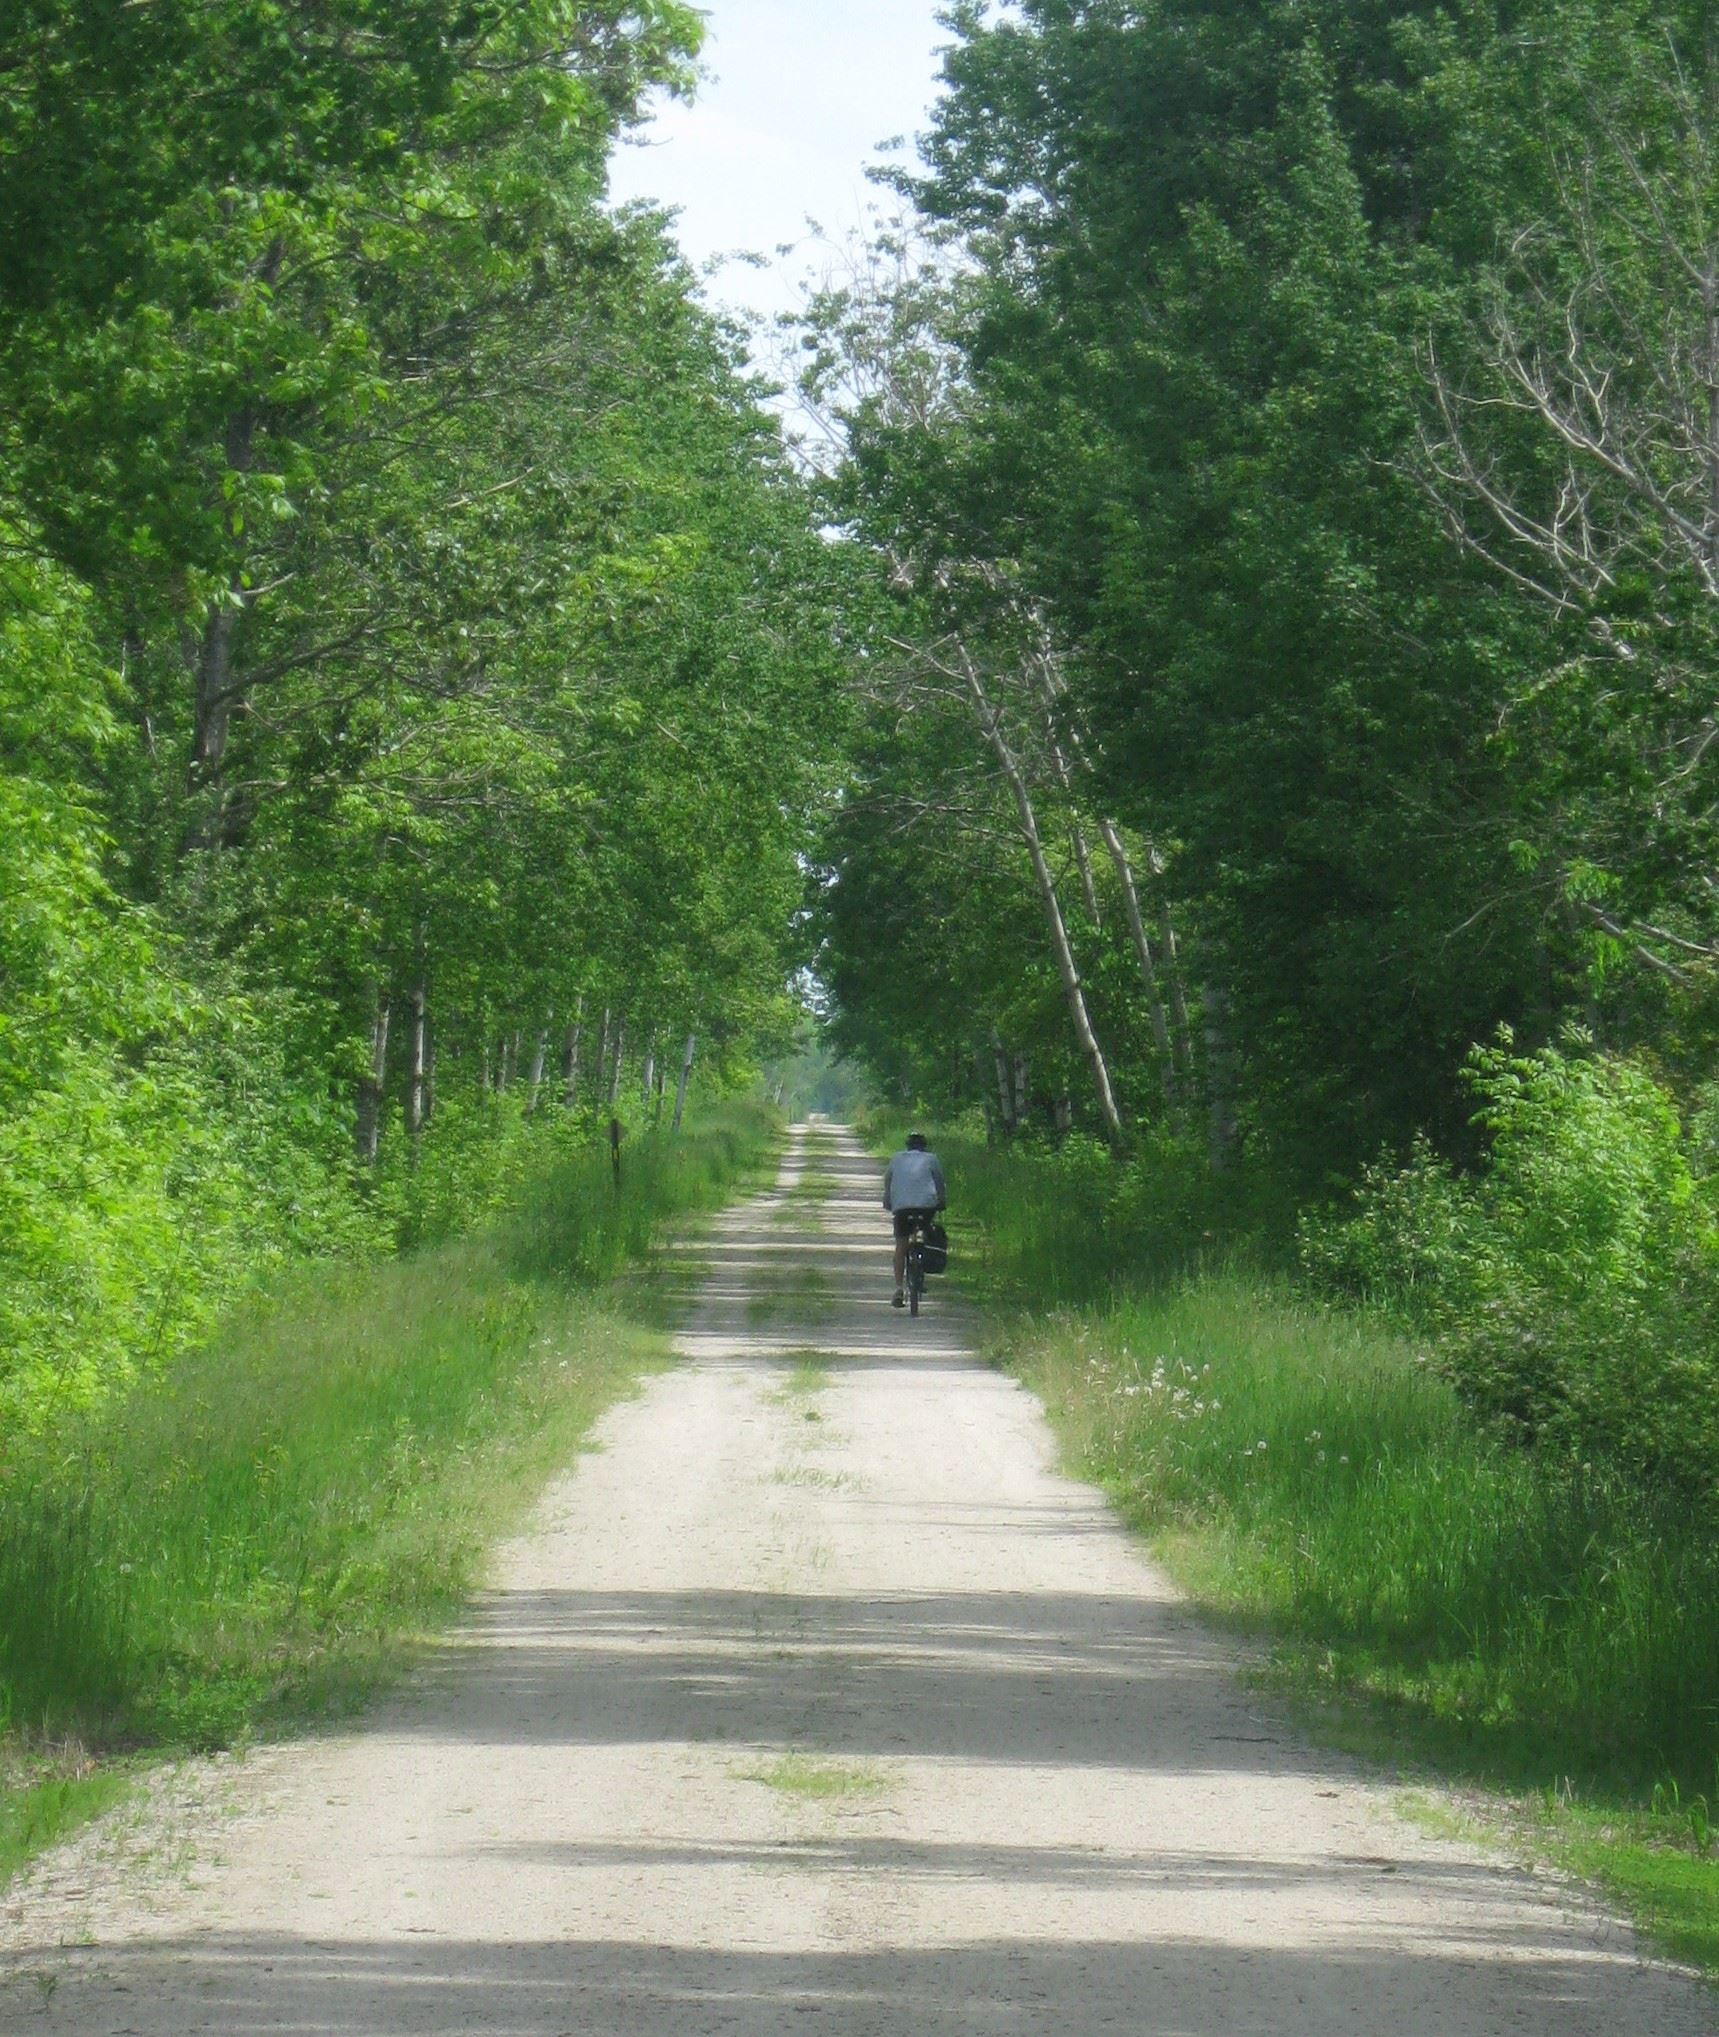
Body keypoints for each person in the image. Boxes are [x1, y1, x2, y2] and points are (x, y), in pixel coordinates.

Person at [882, 1131, 946, 1308]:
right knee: (927, 1232)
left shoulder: (896, 1158)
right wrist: (941, 1201)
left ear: (907, 1146)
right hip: (926, 1207)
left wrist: (888, 1200)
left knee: (901, 1246)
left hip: (902, 1207)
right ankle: (922, 1265)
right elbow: (939, 1183)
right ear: (924, 1146)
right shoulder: (931, 1159)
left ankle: (898, 1289)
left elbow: (888, 1181)